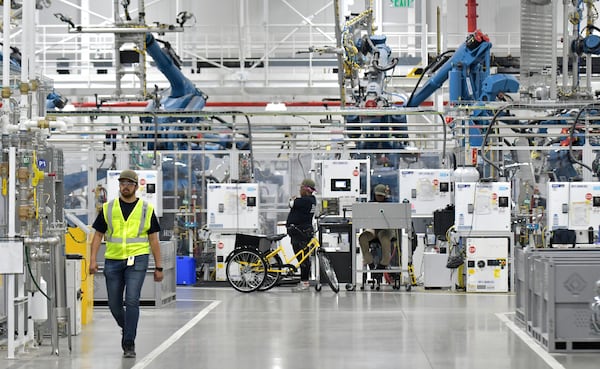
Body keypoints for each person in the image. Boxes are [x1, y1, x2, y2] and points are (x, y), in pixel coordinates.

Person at [89, 169, 163, 358]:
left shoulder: (146, 209)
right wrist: (92, 260)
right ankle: (128, 327)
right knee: (113, 304)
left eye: (129, 183)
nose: (125, 186)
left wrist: (159, 267)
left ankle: (129, 342)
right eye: (122, 183)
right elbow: (97, 235)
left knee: (131, 300)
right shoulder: (108, 208)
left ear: (136, 186)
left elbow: (154, 240)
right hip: (113, 260)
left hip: (138, 259)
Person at [286, 178, 317, 291]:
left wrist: (293, 200)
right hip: (303, 231)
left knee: (302, 258)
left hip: (300, 233)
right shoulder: (312, 200)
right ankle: (305, 280)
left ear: (306, 189)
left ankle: (304, 281)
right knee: (304, 257)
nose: (299, 190)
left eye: (301, 188)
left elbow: (291, 203)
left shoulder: (305, 200)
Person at [359, 184, 394, 275]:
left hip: (385, 230)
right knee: (362, 238)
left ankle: (383, 264)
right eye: (377, 195)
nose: (379, 197)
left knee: (385, 239)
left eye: (381, 196)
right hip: (373, 229)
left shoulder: (390, 205)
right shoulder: (370, 205)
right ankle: (369, 262)